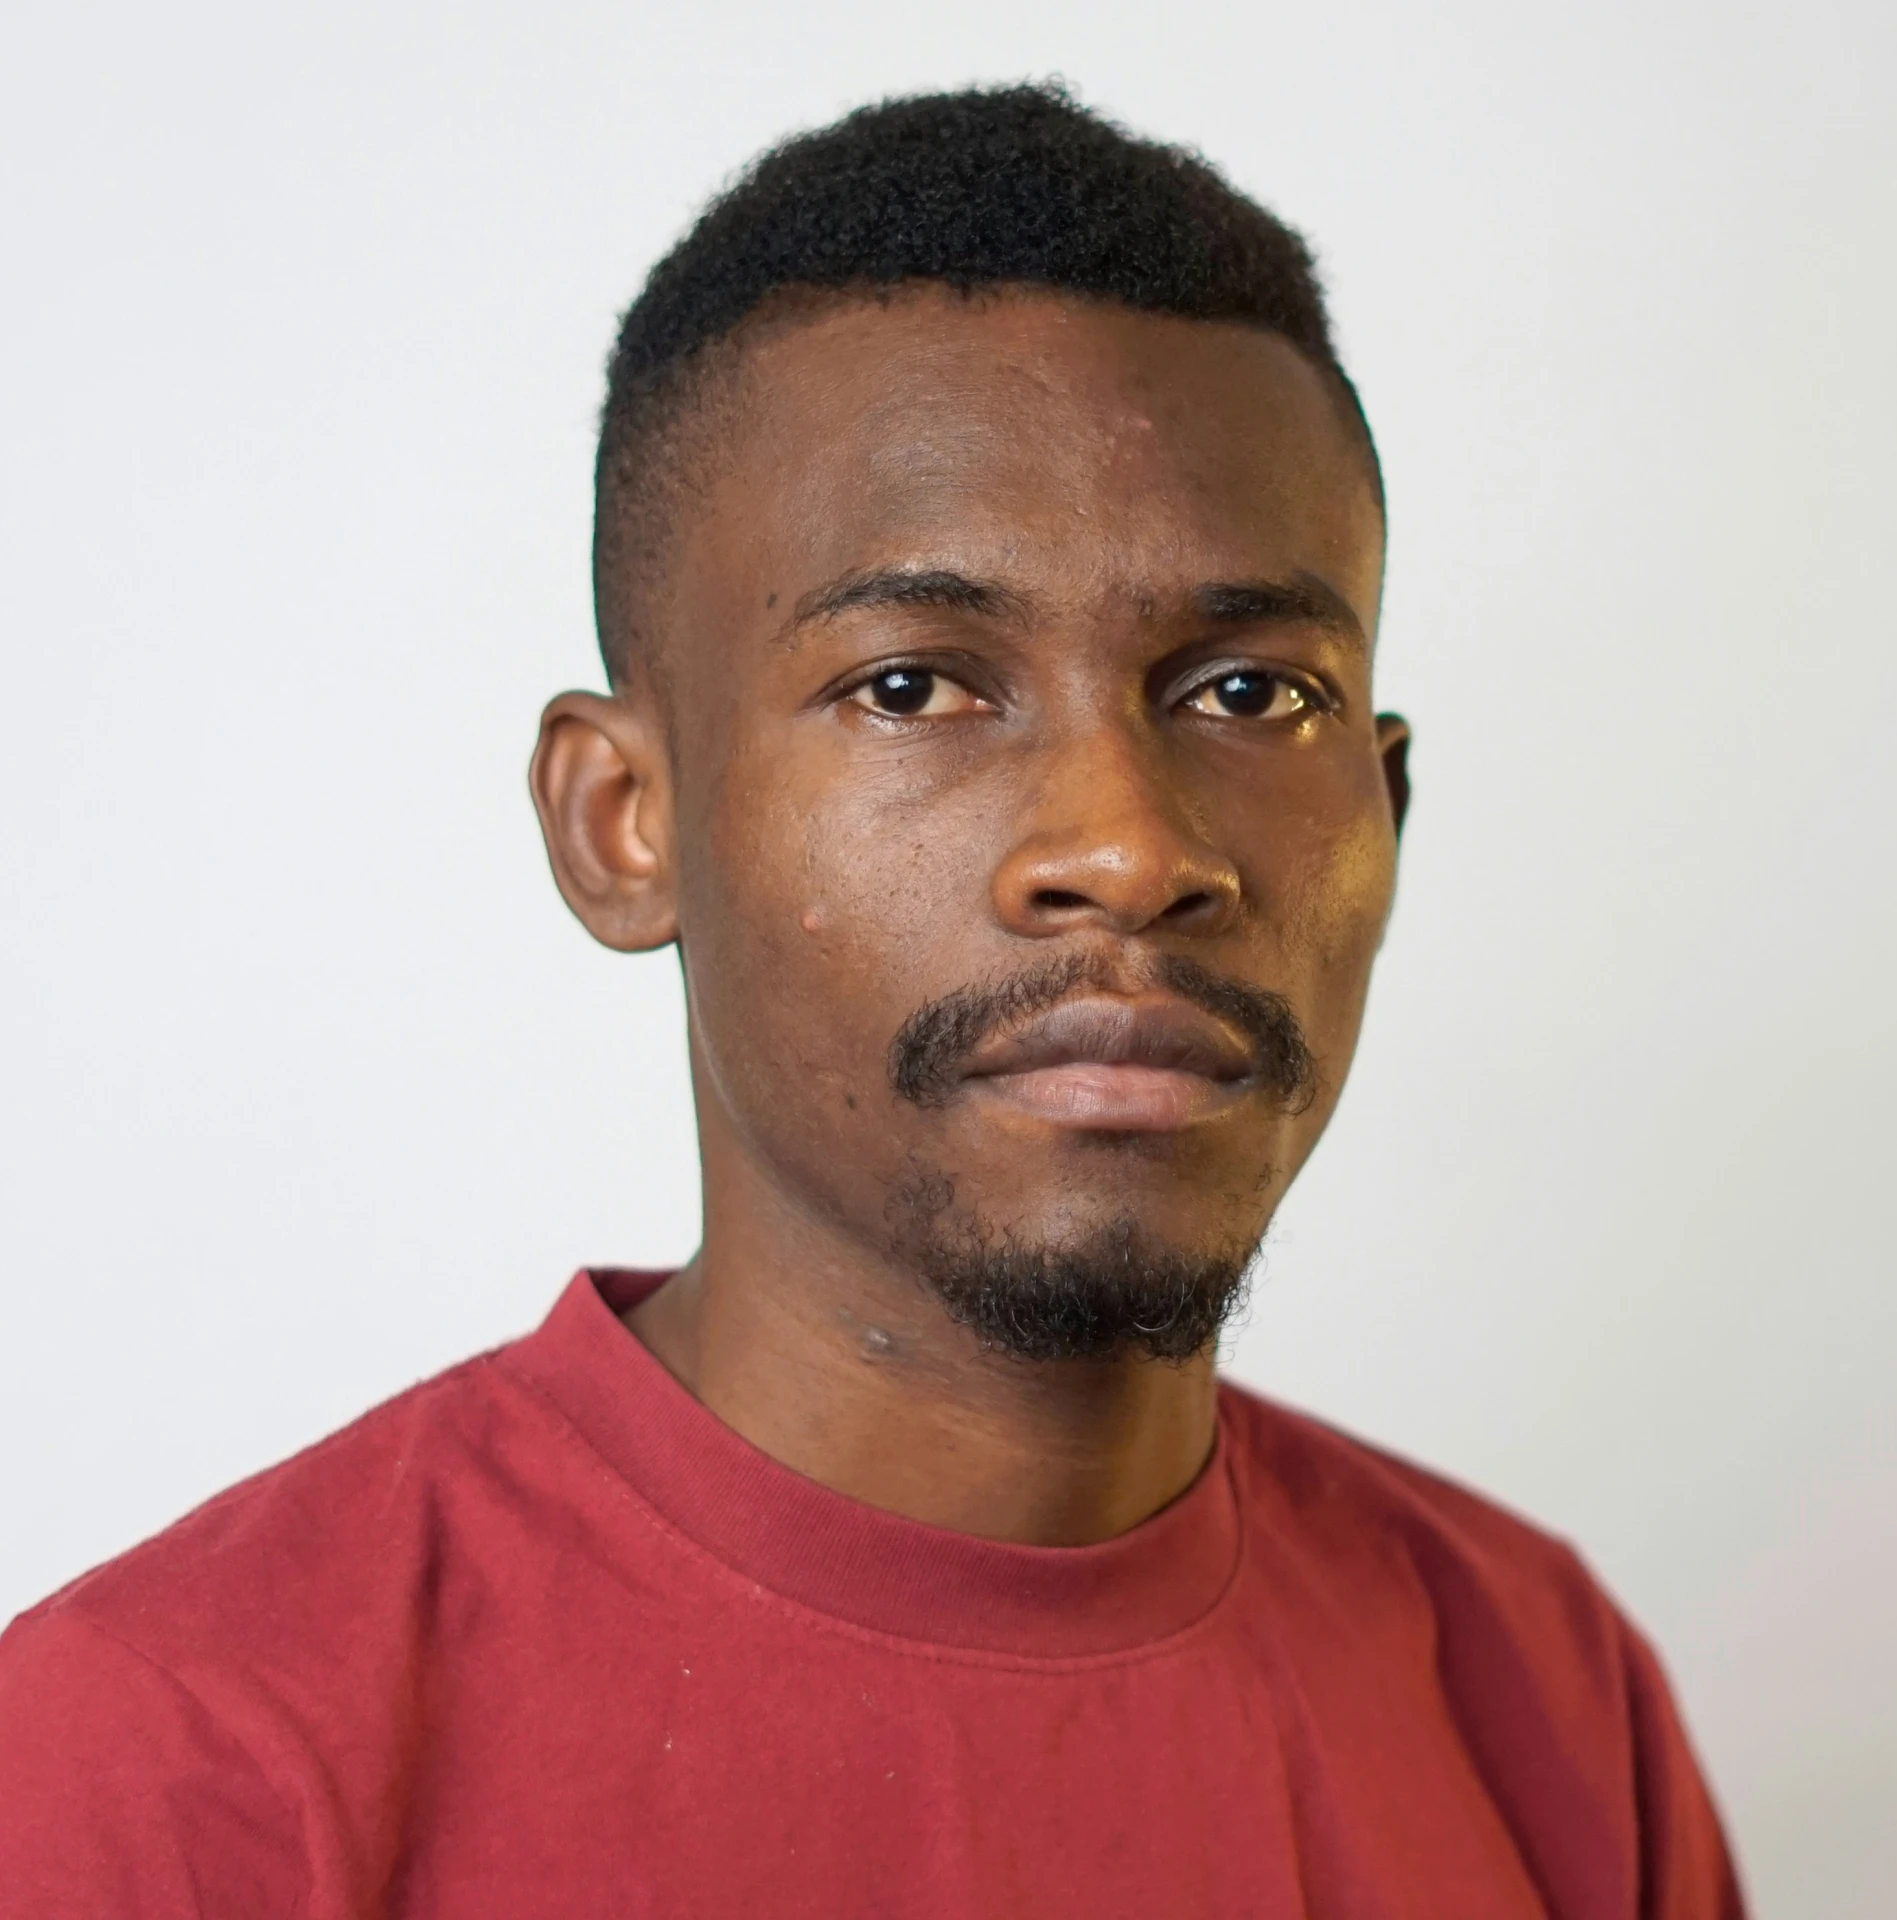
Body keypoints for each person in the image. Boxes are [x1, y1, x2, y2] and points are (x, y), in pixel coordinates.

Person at [0, 84, 1745, 1916]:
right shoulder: (166, 1774)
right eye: (913, 686)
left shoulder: (1541, 1690)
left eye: (1249, 693)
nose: (1126, 849)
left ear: (1382, 807)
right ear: (624, 824)